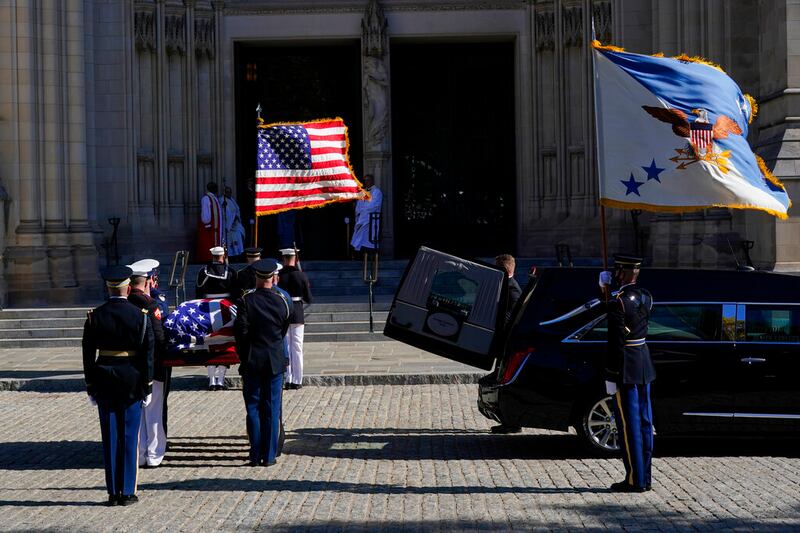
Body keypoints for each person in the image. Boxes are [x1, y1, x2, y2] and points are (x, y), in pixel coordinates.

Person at [82, 265, 154, 506]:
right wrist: (148, 385)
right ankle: (128, 491)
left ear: (108, 288)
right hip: (132, 380)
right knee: (130, 436)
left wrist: (90, 385)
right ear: (128, 288)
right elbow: (148, 354)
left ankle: (113, 492)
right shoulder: (140, 315)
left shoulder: (95, 316)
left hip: (104, 379)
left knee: (110, 436)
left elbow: (87, 355)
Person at [598, 254, 655, 493]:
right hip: (643, 364)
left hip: (625, 368)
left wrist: (611, 375)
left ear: (621, 273)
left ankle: (634, 479)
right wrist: (605, 290)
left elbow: (616, 343)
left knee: (629, 425)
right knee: (645, 423)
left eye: (616, 271)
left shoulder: (618, 302)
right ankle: (645, 477)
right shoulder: (646, 296)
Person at [234, 258, 291, 466]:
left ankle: (255, 453)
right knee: (272, 408)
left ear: (256, 277)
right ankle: (269, 455)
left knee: (253, 407)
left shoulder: (246, 300)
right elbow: (283, 330)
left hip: (252, 359)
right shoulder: (283, 300)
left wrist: (245, 355)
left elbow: (241, 333)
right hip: (274, 359)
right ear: (272, 278)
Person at [128, 259, 168, 468]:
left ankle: (139, 453)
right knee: (153, 411)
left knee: (136, 413)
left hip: (129, 367)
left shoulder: (125, 303)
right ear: (147, 282)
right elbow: (159, 337)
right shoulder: (151, 305)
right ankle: (153, 454)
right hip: (152, 366)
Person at [196, 246, 238, 390]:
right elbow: (235, 293)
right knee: (224, 342)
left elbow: (198, 292)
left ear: (212, 256)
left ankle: (211, 380)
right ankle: (220, 380)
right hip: (225, 309)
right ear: (223, 256)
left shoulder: (203, 271)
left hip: (206, 309)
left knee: (210, 342)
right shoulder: (230, 272)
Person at [278, 248, 312, 389]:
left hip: (284, 312)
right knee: (297, 347)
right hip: (297, 312)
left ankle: (288, 378)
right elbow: (309, 299)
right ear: (295, 258)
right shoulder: (301, 275)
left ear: (284, 259)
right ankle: (297, 380)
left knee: (285, 347)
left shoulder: (279, 275)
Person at [350, 174, 383, 253]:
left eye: (368, 180)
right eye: (365, 180)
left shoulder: (377, 192)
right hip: (362, 217)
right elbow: (359, 205)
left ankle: (368, 251)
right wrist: (359, 211)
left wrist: (363, 210)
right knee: (359, 232)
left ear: (372, 181)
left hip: (371, 218)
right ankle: (360, 251)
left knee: (368, 235)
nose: (366, 182)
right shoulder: (363, 192)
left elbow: (374, 205)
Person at [196, 182, 223, 263]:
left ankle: (214, 259)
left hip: (213, 227)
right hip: (209, 227)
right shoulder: (206, 198)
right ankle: (208, 259)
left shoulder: (213, 198)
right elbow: (205, 216)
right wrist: (207, 223)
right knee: (208, 246)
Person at [495, 254, 522, 324]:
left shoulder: (513, 290)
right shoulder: (504, 283)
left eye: (495, 268)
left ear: (502, 271)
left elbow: (508, 318)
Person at [222, 185, 245, 258]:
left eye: (230, 192)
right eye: (227, 192)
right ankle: (230, 255)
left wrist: (236, 217)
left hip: (235, 224)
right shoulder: (222, 200)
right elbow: (225, 213)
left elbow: (237, 210)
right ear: (224, 193)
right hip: (228, 225)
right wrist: (231, 220)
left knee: (239, 234)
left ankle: (238, 253)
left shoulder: (232, 199)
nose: (229, 193)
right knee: (230, 240)